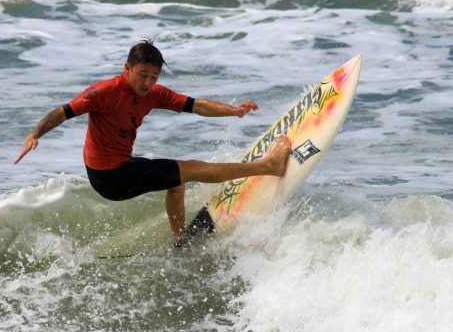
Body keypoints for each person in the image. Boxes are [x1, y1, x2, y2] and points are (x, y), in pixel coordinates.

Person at [15, 39, 291, 245]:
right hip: (109, 176)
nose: (147, 82)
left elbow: (195, 105)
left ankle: (180, 239)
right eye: (142, 75)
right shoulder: (103, 93)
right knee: (193, 168)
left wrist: (232, 110)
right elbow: (61, 113)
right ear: (127, 68)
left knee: (175, 181)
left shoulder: (154, 93)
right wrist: (35, 134)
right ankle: (269, 166)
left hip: (119, 167)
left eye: (153, 77)